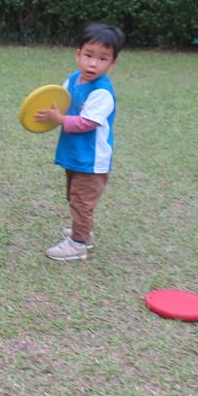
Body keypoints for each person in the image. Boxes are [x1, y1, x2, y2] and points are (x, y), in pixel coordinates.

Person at [34, 22, 126, 261]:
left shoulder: (102, 92)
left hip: (92, 160)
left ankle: (78, 244)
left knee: (81, 201)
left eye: (103, 58)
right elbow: (60, 102)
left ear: (112, 63)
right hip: (74, 154)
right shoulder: (73, 79)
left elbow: (86, 123)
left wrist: (58, 118)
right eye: (88, 55)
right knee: (74, 197)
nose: (93, 63)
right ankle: (83, 232)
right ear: (78, 55)